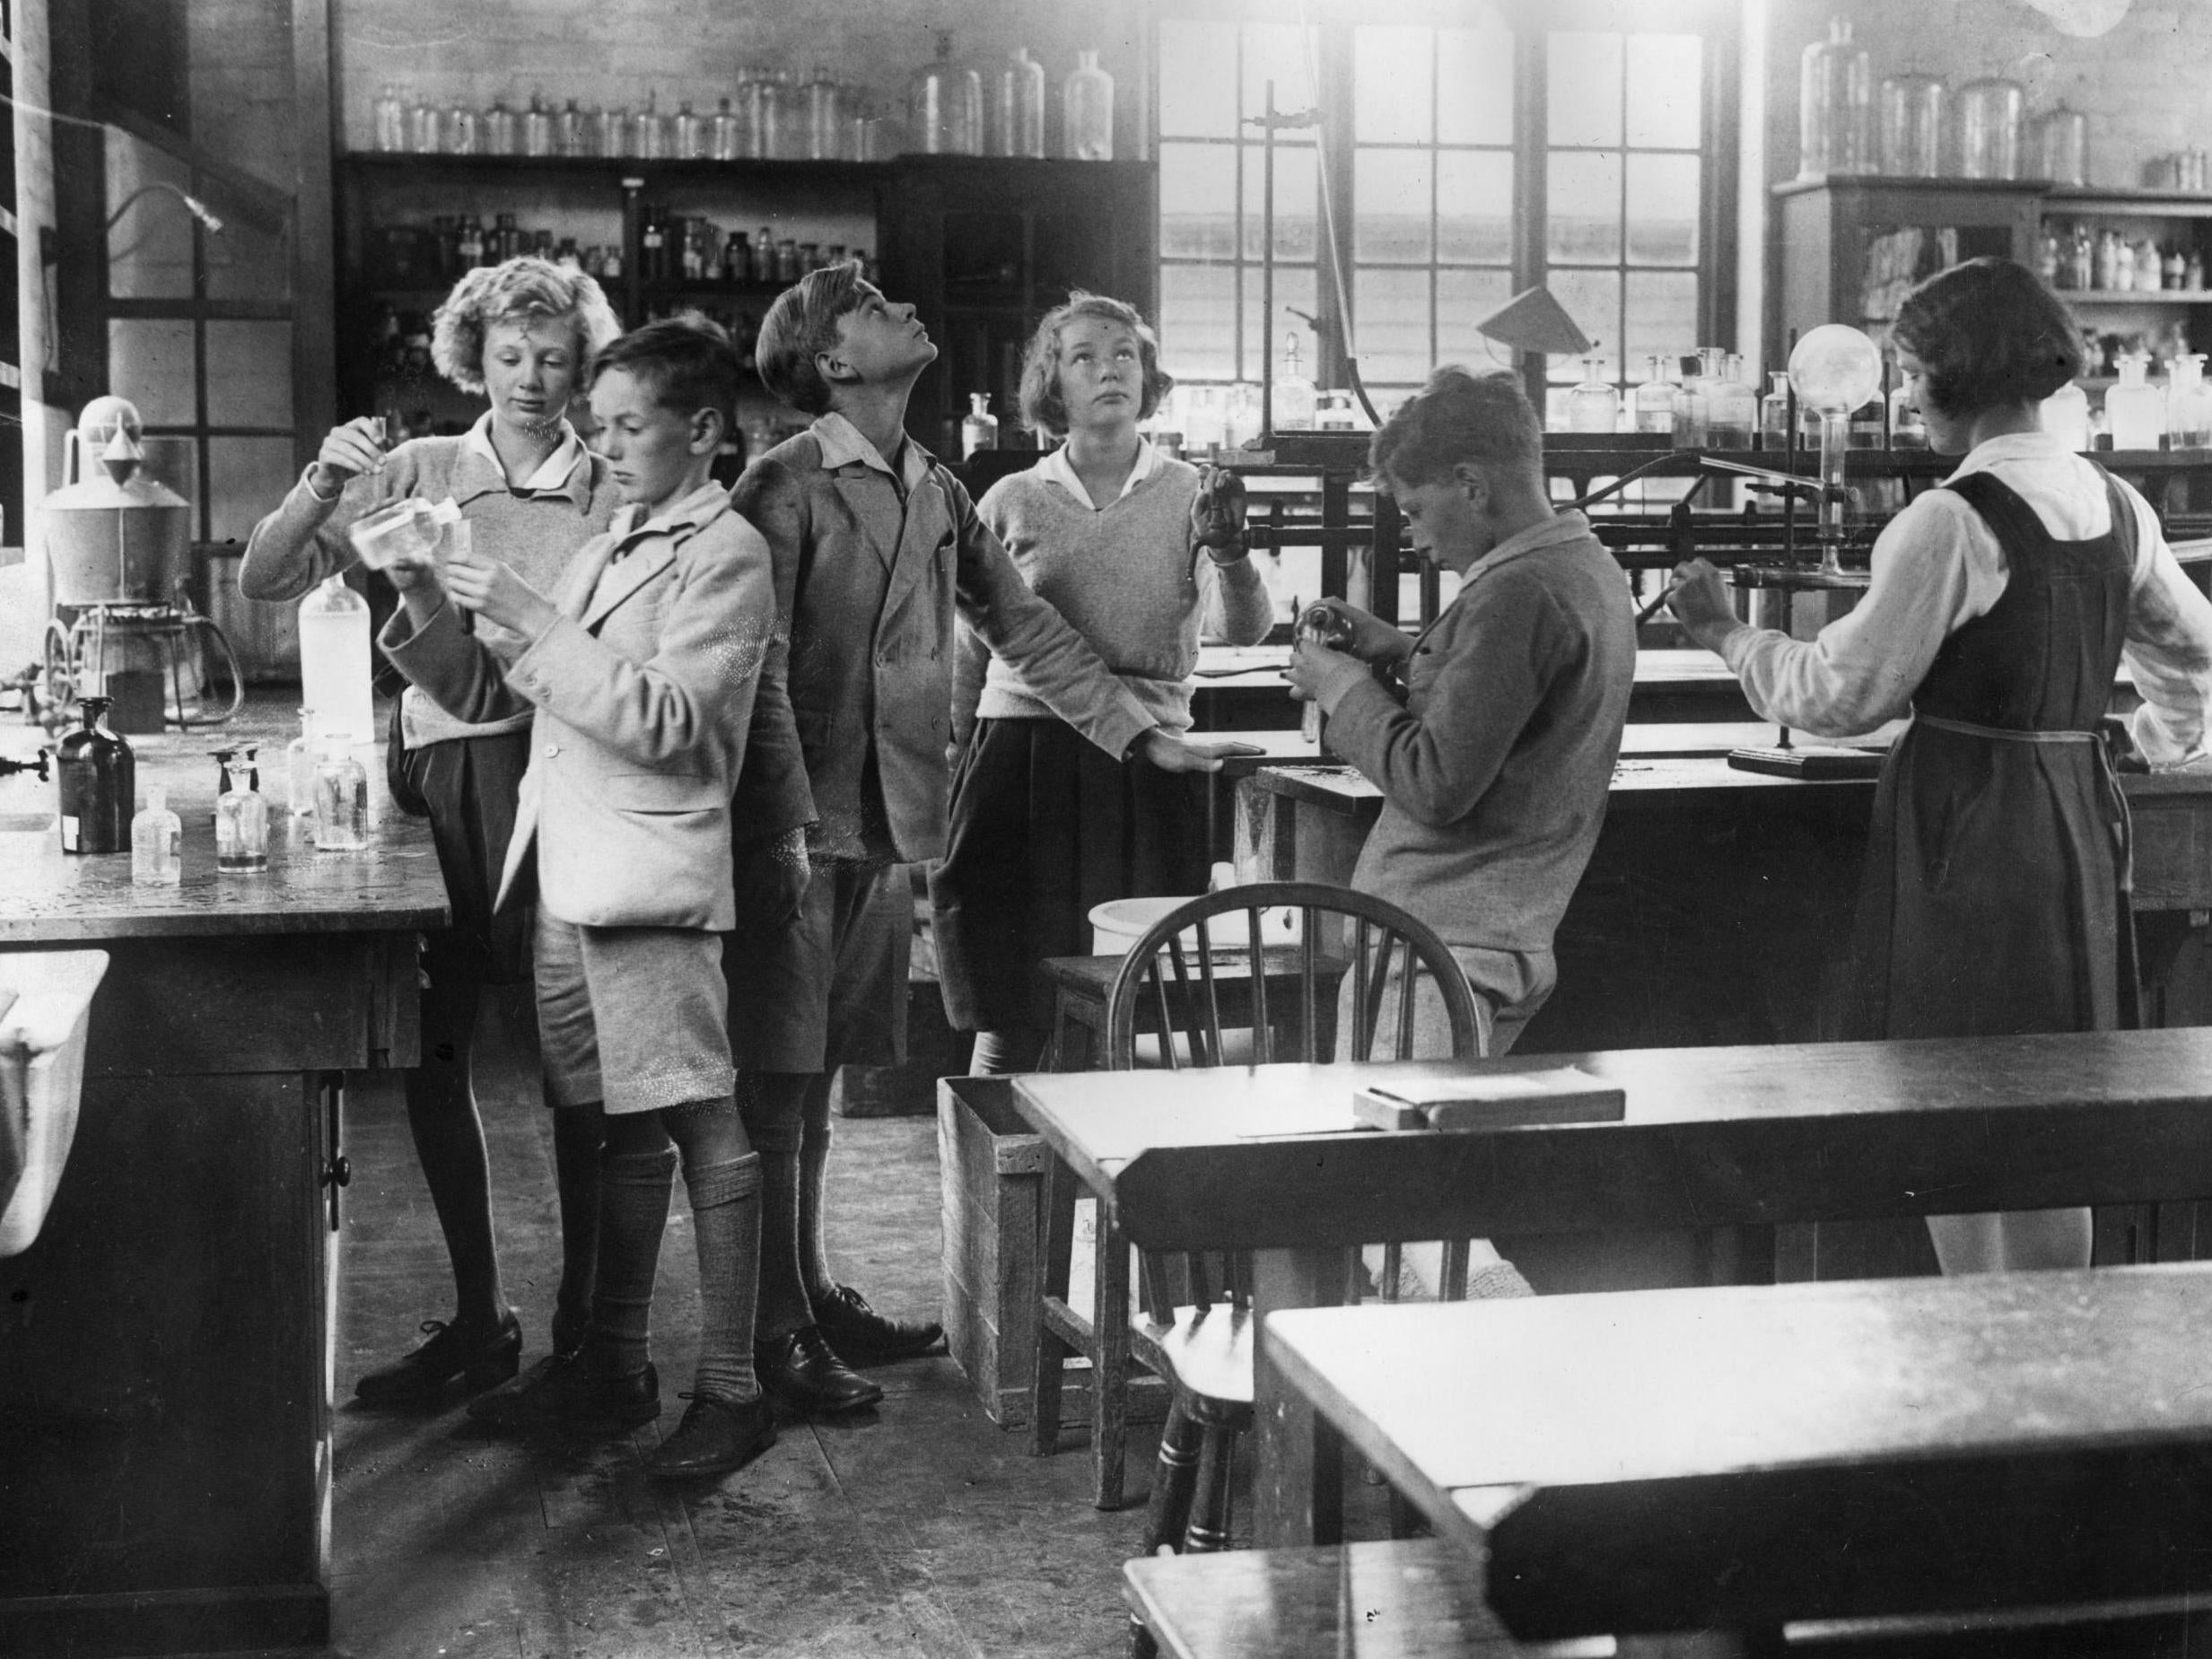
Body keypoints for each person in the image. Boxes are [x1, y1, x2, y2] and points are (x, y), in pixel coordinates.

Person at [728, 264, 1255, 1415]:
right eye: (870, 301)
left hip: (877, 825)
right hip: (800, 830)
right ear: (832, 360)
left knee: (820, 1078)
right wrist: (779, 823)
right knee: (778, 1075)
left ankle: (810, 1296)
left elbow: (1025, 631)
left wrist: (1137, 738)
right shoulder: (784, 482)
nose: (903, 304)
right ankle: (769, 1334)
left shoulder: (930, 483)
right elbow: (752, 670)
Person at [1666, 256, 2212, 1275]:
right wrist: (2148, 744)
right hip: (2076, 824)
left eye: (1909, 372)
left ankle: (1988, 1366)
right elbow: (2192, 651)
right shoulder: (2115, 506)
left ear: (1950, 377)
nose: (1902, 396)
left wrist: (1725, 635)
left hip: (1962, 829)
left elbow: (1839, 696)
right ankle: (2052, 1376)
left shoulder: (1947, 522)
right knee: (2051, 1111)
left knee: (1951, 1101)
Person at [379, 315, 780, 1479]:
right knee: (614, 1129)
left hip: (649, 882)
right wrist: (424, 594)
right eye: (596, 426)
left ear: (701, 431)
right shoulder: (618, 536)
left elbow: (673, 722)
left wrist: (525, 610)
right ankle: (610, 1368)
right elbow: (495, 694)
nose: (598, 446)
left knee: (703, 1120)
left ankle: (733, 1388)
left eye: (624, 427)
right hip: (570, 871)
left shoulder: (725, 553)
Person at [241, 258, 624, 1404]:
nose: (531, 378)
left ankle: (586, 1325)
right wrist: (320, 480)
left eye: (554, 357)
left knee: (576, 1062)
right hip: (434, 781)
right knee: (436, 1045)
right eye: (509, 355)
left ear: (582, 365)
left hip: (564, 777)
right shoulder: (412, 470)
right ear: (471, 356)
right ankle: (478, 1315)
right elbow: (266, 578)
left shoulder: (605, 487)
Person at [931, 293, 1274, 1075]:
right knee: (1010, 1001)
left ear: (1148, 374)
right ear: (1053, 383)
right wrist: (953, 765)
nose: (1108, 370)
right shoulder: (1009, 497)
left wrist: (1230, 553)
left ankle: (1115, 1179)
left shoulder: (1193, 491)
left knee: (1136, 998)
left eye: (1124, 354)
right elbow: (968, 652)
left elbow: (1241, 628)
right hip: (1021, 758)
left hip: (1145, 764)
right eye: (1083, 356)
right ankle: (1007, 1184)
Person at [1285, 366, 1637, 1060]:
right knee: (1441, 1157)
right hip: (1500, 934)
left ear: (1472, 486)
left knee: (1388, 1162)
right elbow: (1514, 705)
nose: (1413, 537)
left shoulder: (1515, 592)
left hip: (1436, 950)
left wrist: (1341, 689)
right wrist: (1410, 652)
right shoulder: (1584, 566)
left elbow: (1436, 780)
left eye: (1414, 509)